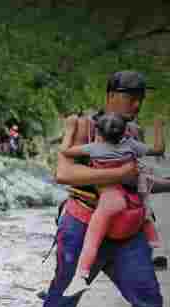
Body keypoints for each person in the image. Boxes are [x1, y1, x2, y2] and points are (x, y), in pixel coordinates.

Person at [41, 71, 168, 307]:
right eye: (130, 96)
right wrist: (120, 174)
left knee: (150, 300)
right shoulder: (81, 125)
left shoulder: (134, 132)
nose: (137, 104)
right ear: (110, 94)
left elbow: (141, 180)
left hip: (128, 232)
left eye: (141, 98)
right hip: (83, 225)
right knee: (61, 299)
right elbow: (63, 173)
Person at [61, 112, 165, 285]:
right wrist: (158, 126)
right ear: (124, 133)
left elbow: (65, 151)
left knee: (92, 238)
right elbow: (158, 149)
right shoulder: (131, 145)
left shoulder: (94, 148)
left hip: (111, 199)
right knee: (146, 214)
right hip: (135, 196)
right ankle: (156, 250)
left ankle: (81, 275)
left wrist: (70, 129)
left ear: (99, 134)